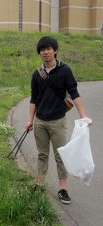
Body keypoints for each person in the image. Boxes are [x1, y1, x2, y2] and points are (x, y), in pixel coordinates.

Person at [25, 36, 92, 204]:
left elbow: (74, 93)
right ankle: (40, 183)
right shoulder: (37, 74)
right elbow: (33, 99)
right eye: (42, 50)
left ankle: (63, 189)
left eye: (48, 49)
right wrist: (29, 120)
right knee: (42, 154)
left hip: (58, 122)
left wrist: (83, 115)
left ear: (55, 51)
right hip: (40, 121)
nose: (45, 52)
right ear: (39, 53)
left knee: (60, 155)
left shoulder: (65, 70)